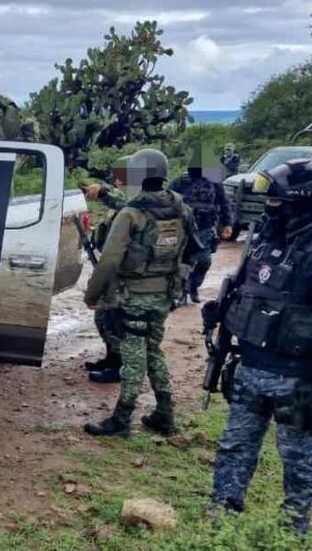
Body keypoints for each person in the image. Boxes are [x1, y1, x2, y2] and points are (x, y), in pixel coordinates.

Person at [208, 158, 312, 534]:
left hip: (298, 381)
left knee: (296, 458)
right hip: (250, 368)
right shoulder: (267, 242)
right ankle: (220, 519)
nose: (271, 210)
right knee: (234, 446)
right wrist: (220, 313)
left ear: (304, 204)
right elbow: (249, 292)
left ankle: (293, 528)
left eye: (279, 203)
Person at [83, 150, 197, 437]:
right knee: (153, 350)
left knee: (133, 358)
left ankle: (121, 420)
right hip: (165, 294)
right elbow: (193, 251)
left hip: (133, 296)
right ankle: (164, 414)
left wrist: (92, 295)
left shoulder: (131, 214)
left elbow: (109, 260)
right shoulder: (182, 209)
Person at [82, 158, 130, 383]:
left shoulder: (136, 200)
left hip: (124, 271)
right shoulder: (123, 200)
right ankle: (110, 358)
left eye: (122, 175)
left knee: (114, 318)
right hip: (112, 268)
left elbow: (120, 201)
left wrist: (102, 190)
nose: (117, 179)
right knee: (103, 317)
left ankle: (118, 365)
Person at [170, 150, 233, 303]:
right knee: (183, 261)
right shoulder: (180, 181)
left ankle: (194, 285)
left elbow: (224, 203)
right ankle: (181, 291)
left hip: (205, 228)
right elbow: (168, 201)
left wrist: (227, 223)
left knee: (204, 260)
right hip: (183, 228)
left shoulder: (214, 183)